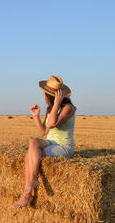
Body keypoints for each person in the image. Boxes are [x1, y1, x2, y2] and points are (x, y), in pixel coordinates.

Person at [13, 75, 76, 208]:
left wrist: (57, 104)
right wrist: (36, 116)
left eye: (45, 94)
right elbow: (43, 132)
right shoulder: (51, 109)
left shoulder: (68, 109)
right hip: (51, 142)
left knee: (30, 154)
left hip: (64, 146)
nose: (44, 96)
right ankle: (32, 183)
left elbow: (52, 123)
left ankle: (27, 192)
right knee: (33, 142)